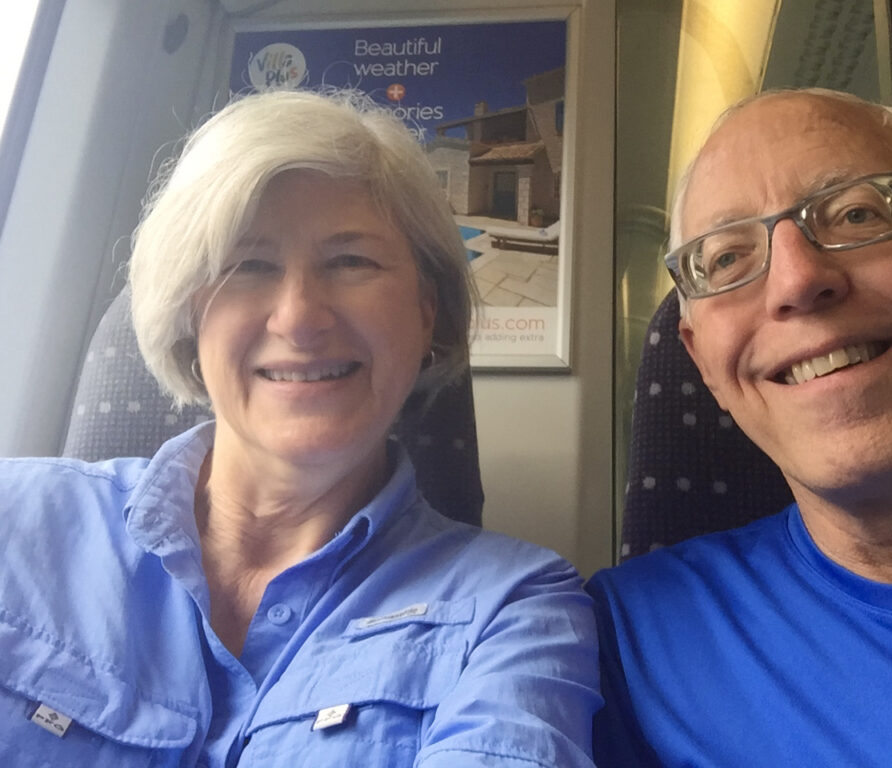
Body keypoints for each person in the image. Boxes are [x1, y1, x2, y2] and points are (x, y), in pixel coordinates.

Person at [0, 89, 600, 767]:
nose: (299, 318)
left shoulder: (513, 611)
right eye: (248, 265)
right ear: (192, 315)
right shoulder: (15, 521)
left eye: (352, 262)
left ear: (425, 312)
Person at [587, 87, 892, 766]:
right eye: (727, 257)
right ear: (704, 366)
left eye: (855, 213)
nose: (797, 279)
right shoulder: (619, 643)